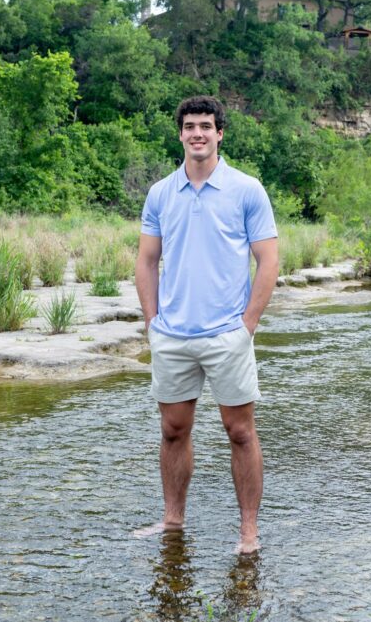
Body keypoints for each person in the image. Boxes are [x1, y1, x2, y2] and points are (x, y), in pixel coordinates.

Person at [135, 96, 279, 554]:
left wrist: (247, 325)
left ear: (221, 134)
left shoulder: (247, 190)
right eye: (190, 126)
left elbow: (269, 259)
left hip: (227, 335)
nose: (198, 133)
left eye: (206, 126)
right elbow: (146, 260)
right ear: (180, 133)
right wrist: (152, 323)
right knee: (173, 430)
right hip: (173, 335)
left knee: (240, 431)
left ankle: (249, 533)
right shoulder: (160, 193)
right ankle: (173, 521)